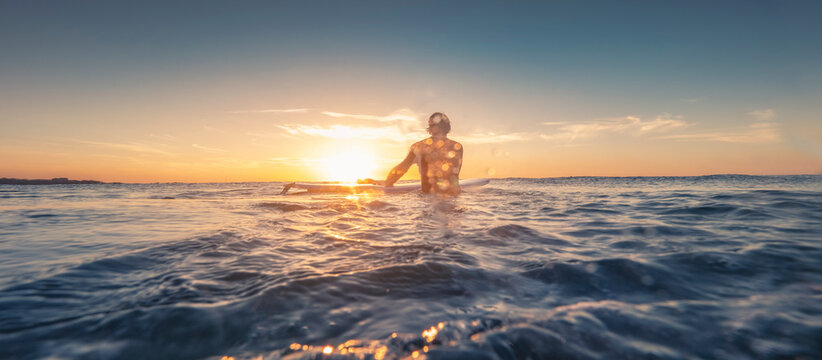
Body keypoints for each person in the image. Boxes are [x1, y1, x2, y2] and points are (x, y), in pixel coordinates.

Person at [384, 112, 464, 194]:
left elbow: (402, 168)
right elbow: (454, 174)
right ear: (448, 127)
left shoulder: (420, 146)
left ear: (430, 127)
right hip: (453, 198)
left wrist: (387, 183)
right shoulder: (457, 147)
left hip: (428, 199)